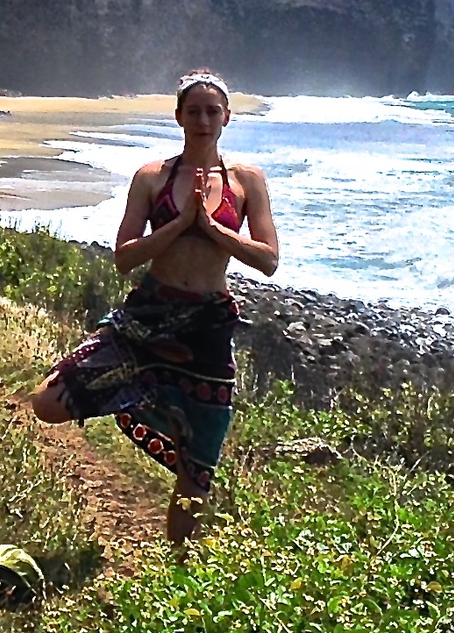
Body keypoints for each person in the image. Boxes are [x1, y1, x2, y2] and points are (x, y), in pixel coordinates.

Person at [31, 70, 278, 543]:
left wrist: (212, 229)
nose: (203, 120)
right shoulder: (153, 177)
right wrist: (181, 223)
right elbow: (124, 256)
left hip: (207, 328)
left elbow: (268, 260)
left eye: (212, 111)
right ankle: (141, 397)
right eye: (193, 111)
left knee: (196, 474)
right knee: (49, 402)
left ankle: (179, 577)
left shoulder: (247, 180)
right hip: (146, 318)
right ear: (178, 116)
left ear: (226, 117)